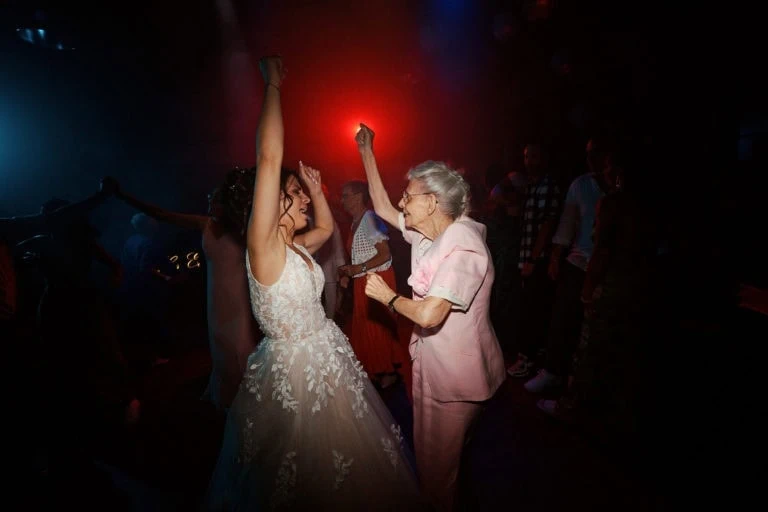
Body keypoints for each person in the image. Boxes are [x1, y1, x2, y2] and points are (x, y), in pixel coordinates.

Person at [205, 57, 424, 511]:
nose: (302, 198)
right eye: (296, 194)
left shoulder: (297, 245)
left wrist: (317, 189)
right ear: (273, 203)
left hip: (328, 356)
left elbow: (324, 233)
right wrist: (274, 87)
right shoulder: (262, 248)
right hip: (291, 371)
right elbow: (269, 158)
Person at [355, 123, 506, 511]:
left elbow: (429, 313)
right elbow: (383, 206)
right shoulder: (428, 235)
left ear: (433, 202)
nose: (402, 202)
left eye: (408, 196)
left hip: (457, 380)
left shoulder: (464, 247)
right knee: (436, 462)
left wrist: (388, 298)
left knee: (438, 476)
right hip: (434, 367)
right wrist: (367, 152)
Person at [117, 167, 259, 411]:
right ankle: (227, 390)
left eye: (214, 199)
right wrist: (123, 196)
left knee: (242, 342)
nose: (209, 202)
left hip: (241, 292)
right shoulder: (203, 224)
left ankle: (253, 391)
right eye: (208, 199)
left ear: (227, 204)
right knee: (221, 343)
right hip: (215, 293)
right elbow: (160, 214)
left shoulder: (243, 227)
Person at [338, 180, 409, 390]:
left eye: (346, 196)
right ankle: (378, 370)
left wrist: (357, 269)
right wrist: (348, 273)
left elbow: (385, 253)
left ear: (359, 196)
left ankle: (387, 373)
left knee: (377, 327)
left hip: (378, 279)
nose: (342, 201)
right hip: (365, 279)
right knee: (367, 325)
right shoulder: (356, 221)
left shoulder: (370, 219)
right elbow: (362, 252)